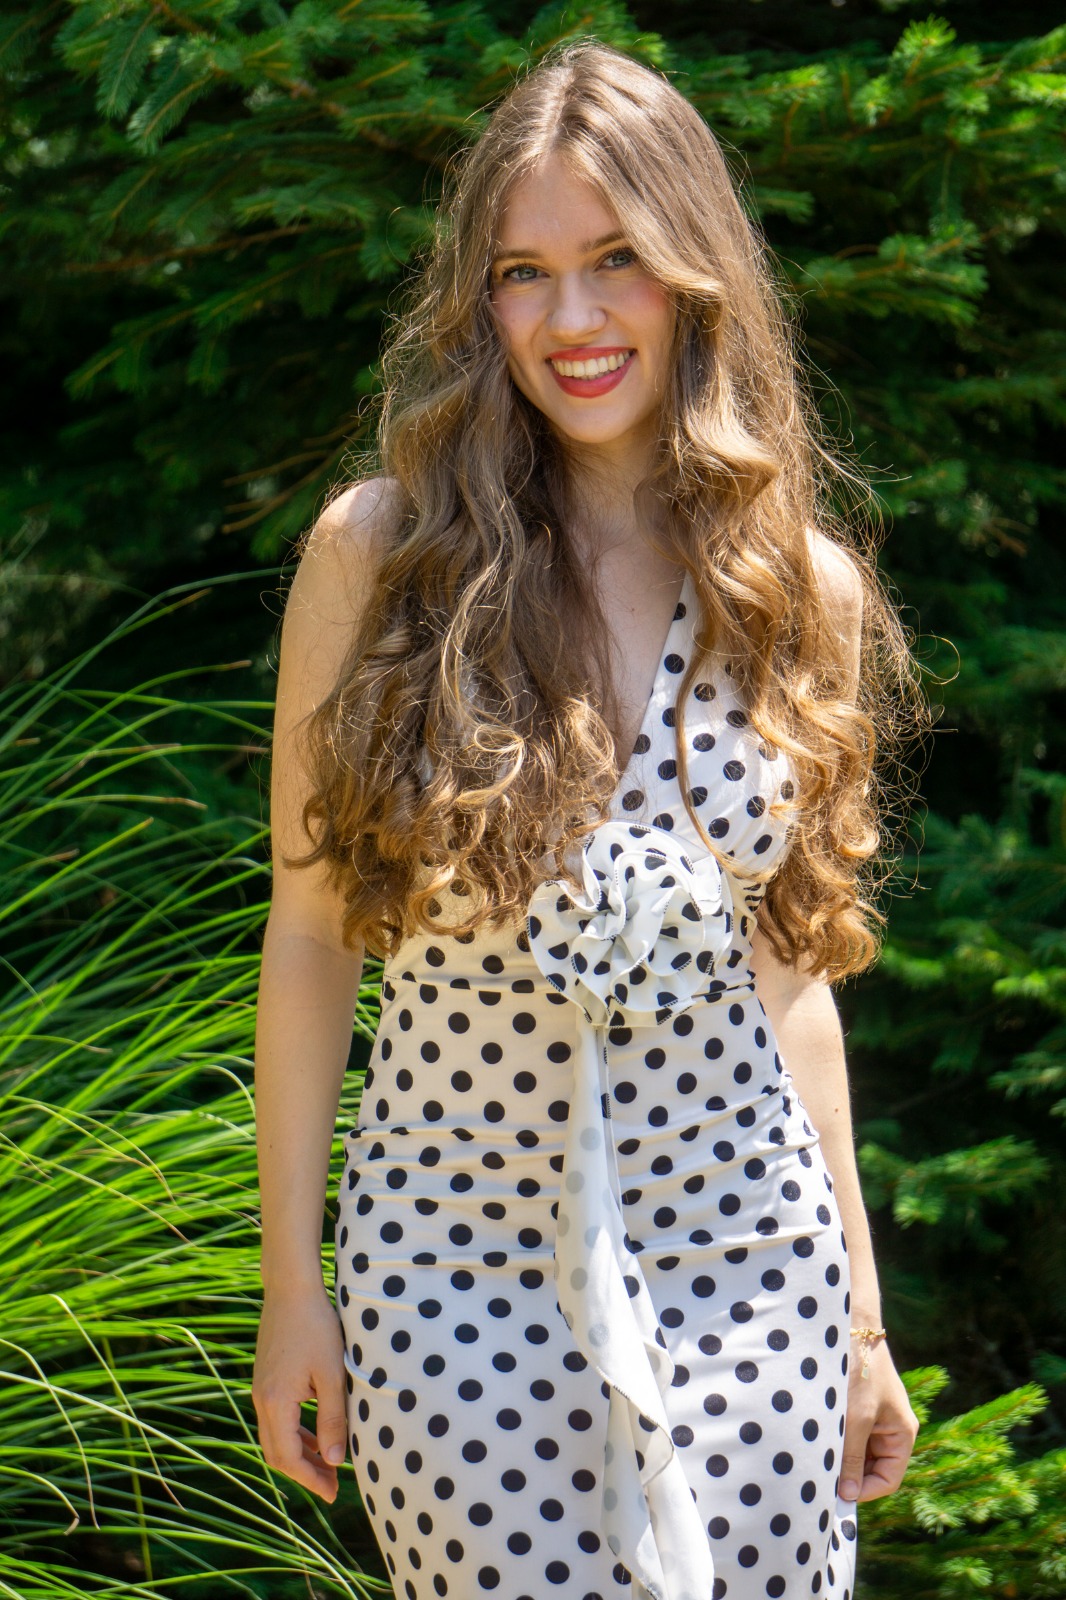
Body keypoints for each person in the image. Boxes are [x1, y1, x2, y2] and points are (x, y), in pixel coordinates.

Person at [252, 38, 925, 1600]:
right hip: (454, 1269)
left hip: (749, 1266)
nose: (569, 320)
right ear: (476, 301)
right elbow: (306, 934)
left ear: (692, 276)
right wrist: (297, 1283)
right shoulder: (379, 556)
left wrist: (865, 1327)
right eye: (523, 273)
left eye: (615, 262)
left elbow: (794, 976)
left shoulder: (792, 586)